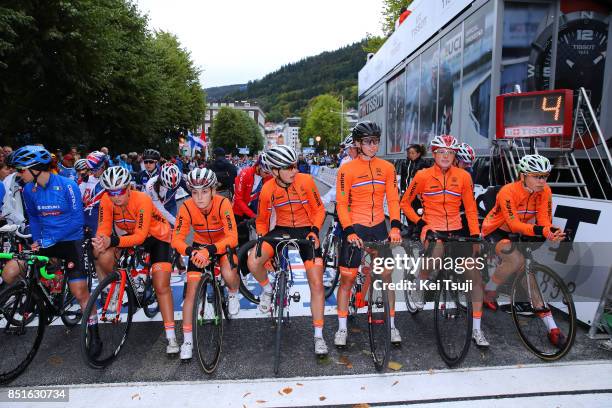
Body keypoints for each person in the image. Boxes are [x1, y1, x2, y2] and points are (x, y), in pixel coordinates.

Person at [1, 145, 100, 353]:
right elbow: (35, 218)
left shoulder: (68, 185)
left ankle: (94, 332)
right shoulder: (29, 190)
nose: (19, 174)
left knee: (80, 292)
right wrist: (37, 239)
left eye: (21, 170)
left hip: (70, 241)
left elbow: (77, 220)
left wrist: (52, 238)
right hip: (46, 241)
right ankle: (40, 294)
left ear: (36, 168)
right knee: (10, 272)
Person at [400, 135, 485, 346]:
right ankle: (419, 284)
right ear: (434, 153)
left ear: (455, 155)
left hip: (455, 229)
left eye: (450, 152)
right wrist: (420, 223)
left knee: (474, 275)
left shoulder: (464, 177)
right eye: (441, 152)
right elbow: (404, 204)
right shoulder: (422, 175)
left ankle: (477, 329)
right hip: (431, 227)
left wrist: (475, 235)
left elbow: (471, 209)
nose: (446, 156)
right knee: (436, 255)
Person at [247, 145, 329, 356]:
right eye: (288, 167)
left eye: (295, 165)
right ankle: (268, 289)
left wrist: (314, 231)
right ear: (275, 171)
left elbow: (319, 209)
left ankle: (319, 335)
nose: (294, 170)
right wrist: (262, 243)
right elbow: (262, 221)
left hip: (306, 230)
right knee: (253, 261)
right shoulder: (267, 189)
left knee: (317, 284)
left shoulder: (306, 181)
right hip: (281, 229)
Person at [481, 154, 567, 347]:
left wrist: (551, 231)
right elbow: (513, 224)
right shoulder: (508, 191)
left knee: (528, 273)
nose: (542, 181)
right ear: (523, 176)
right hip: (496, 230)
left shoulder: (545, 191)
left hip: (524, 231)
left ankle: (552, 327)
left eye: (545, 176)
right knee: (515, 260)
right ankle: (489, 291)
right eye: (537, 176)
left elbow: (544, 220)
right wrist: (542, 230)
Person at [93, 166, 177, 354]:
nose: (115, 196)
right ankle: (116, 287)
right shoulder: (106, 200)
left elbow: (140, 237)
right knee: (101, 254)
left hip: (156, 237)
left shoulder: (142, 199)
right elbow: (104, 227)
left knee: (161, 284)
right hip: (127, 235)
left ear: (129, 187)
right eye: (110, 192)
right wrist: (100, 241)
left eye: (120, 191)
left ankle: (171, 336)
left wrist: (112, 240)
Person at [334, 121, 403, 347]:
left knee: (387, 278)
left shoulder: (387, 168)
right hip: (356, 226)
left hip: (379, 227)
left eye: (376, 141)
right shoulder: (347, 169)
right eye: (368, 142)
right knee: (348, 279)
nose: (373, 146)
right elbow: (342, 204)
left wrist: (395, 226)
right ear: (357, 143)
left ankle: (392, 325)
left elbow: (393, 199)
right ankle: (342, 328)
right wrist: (349, 231)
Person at [171, 168, 241, 359]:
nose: (199, 197)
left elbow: (232, 237)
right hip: (199, 247)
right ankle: (187, 341)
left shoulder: (223, 203)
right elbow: (176, 239)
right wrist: (191, 251)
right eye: (194, 192)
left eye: (204, 192)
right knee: (191, 293)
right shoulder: (186, 207)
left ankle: (233, 293)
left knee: (228, 274)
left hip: (221, 245)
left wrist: (210, 250)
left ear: (212, 190)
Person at [232, 153, 272, 246]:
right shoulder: (245, 173)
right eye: (266, 172)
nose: (267, 175)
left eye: (269, 173)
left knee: (258, 239)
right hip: (240, 211)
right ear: (259, 166)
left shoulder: (268, 176)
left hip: (255, 209)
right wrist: (253, 215)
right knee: (242, 239)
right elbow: (238, 199)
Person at [144, 162, 188, 227]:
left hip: (171, 204)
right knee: (160, 227)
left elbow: (191, 191)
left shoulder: (179, 179)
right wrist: (177, 223)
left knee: (172, 226)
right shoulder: (150, 185)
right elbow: (160, 209)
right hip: (155, 206)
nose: (169, 189)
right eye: (166, 186)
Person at [321, 135, 358, 205]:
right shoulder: (345, 161)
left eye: (350, 149)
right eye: (347, 150)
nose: (348, 152)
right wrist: (326, 199)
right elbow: (339, 184)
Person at [80, 151, 108, 236]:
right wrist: (84, 182)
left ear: (103, 166)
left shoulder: (108, 179)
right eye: (91, 170)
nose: (93, 172)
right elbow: (79, 198)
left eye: (96, 169)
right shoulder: (87, 178)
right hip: (85, 216)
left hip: (101, 218)